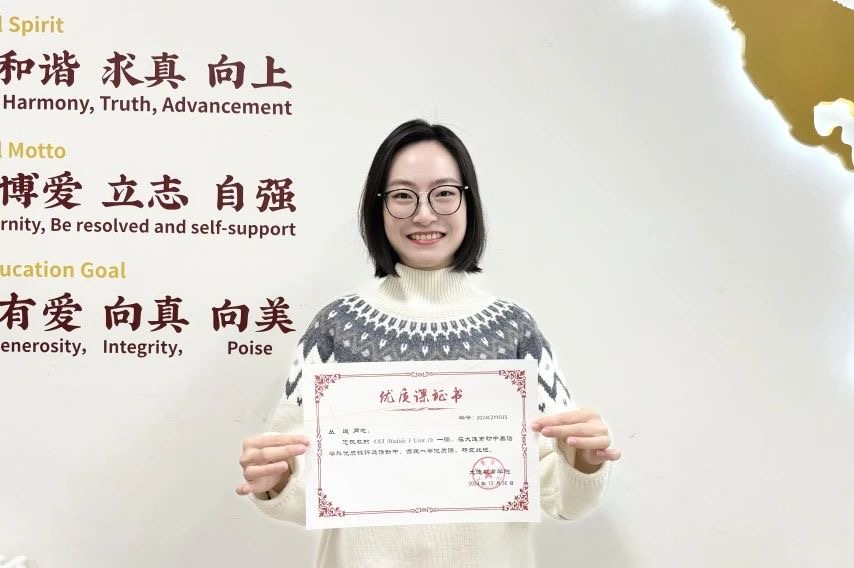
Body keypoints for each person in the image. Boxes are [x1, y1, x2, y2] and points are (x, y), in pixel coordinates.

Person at [236, 119, 621, 567]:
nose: (423, 214)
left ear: (468, 202)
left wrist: (583, 462)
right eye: (402, 196)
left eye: (444, 193)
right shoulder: (336, 328)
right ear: (378, 208)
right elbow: (305, 488)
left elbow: (560, 496)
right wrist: (276, 480)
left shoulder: (514, 330)